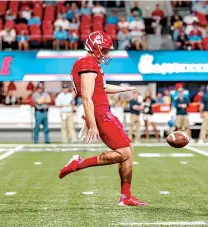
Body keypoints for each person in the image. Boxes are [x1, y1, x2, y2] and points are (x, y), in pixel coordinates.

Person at [59, 31, 147, 206]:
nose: (106, 54)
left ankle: (125, 196)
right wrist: (92, 124)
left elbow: (102, 88)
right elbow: (86, 97)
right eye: (104, 50)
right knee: (124, 153)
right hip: (101, 113)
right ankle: (79, 163)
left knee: (128, 148)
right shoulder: (87, 63)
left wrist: (125, 89)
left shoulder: (89, 64)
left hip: (104, 111)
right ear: (95, 47)